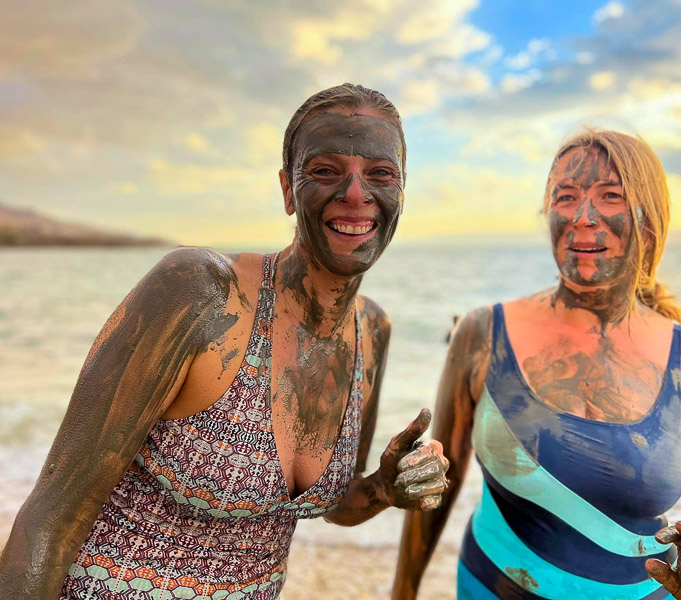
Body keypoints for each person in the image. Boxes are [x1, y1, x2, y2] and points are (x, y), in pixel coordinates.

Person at [0, 83, 449, 599]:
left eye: (380, 175)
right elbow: (49, 518)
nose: (355, 193)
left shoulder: (372, 331)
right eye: (325, 170)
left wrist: (384, 489)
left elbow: (330, 505)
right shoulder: (200, 292)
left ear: (400, 193)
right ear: (287, 190)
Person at [392, 130, 681, 600]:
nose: (584, 217)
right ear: (549, 214)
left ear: (650, 221)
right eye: (566, 197)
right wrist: (402, 591)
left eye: (611, 196)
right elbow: (441, 480)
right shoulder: (482, 335)